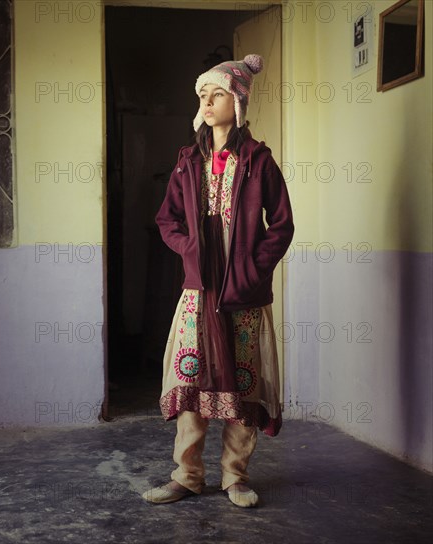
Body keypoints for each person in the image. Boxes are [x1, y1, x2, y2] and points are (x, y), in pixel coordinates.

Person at [142, 54, 294, 507]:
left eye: (218, 94)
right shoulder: (188, 161)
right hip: (198, 293)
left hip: (243, 296)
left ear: (239, 102)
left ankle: (235, 477)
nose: (208, 102)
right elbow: (167, 219)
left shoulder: (259, 162)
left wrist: (252, 267)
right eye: (203, 95)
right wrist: (190, 251)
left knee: (242, 384)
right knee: (192, 381)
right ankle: (186, 475)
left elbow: (281, 225)